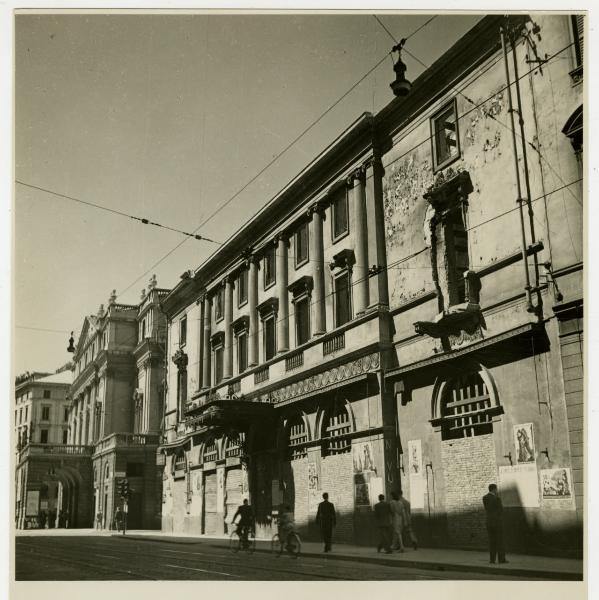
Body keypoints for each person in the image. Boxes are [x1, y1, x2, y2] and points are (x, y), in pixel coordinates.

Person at [483, 483, 507, 564]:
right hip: (497, 523)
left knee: (492, 542)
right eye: (496, 489)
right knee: (500, 541)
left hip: (489, 523)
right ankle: (501, 560)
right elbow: (501, 511)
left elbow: (487, 509)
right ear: (494, 489)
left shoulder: (484, 498)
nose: (497, 491)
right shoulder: (497, 499)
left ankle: (492, 560)